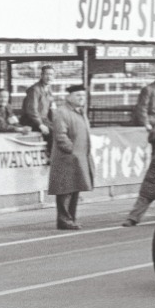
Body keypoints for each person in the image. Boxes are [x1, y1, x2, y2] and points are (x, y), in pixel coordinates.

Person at [48, 84, 93, 230]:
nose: (81, 98)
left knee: (75, 189)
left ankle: (70, 218)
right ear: (69, 97)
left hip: (79, 158)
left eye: (83, 95)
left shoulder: (80, 112)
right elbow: (61, 135)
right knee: (65, 189)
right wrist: (72, 151)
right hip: (67, 159)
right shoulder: (62, 112)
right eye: (78, 95)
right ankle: (64, 219)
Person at [21, 66, 55, 135]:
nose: (49, 77)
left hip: (44, 120)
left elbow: (51, 108)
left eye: (51, 74)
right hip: (32, 121)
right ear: (41, 75)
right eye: (46, 74)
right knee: (53, 133)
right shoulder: (35, 90)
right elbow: (32, 110)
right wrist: (40, 125)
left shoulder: (49, 90)